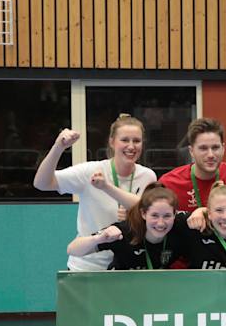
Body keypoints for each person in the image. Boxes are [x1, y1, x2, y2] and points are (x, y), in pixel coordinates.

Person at [33, 114, 157, 271]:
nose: (131, 146)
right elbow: (42, 183)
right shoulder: (90, 171)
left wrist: (133, 217)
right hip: (87, 267)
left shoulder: (148, 176)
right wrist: (58, 147)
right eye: (125, 140)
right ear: (112, 142)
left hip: (127, 268)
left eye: (137, 141)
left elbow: (151, 216)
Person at [66, 184, 188, 270]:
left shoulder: (181, 227)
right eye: (154, 216)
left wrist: (198, 213)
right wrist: (99, 238)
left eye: (167, 216)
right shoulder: (124, 232)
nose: (161, 223)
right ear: (143, 214)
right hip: (119, 290)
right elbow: (71, 249)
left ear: (175, 214)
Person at [159, 118, 226, 213]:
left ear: (223, 148)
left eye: (215, 148)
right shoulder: (169, 183)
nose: (210, 155)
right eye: (203, 148)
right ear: (191, 151)